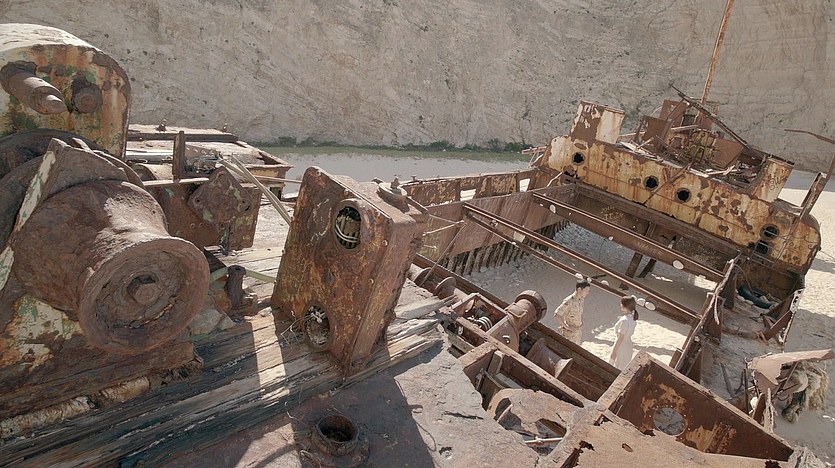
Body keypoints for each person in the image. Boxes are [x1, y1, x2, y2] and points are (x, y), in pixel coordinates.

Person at [554, 280, 591, 344]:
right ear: (579, 289)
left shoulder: (581, 299)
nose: (587, 293)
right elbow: (557, 315)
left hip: (578, 332)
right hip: (569, 334)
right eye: (586, 290)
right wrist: (566, 327)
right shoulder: (568, 301)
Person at [609, 296, 639, 370]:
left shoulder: (624, 320)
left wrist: (614, 351)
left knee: (617, 366)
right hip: (628, 345)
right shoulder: (633, 319)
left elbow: (621, 337)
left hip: (621, 346)